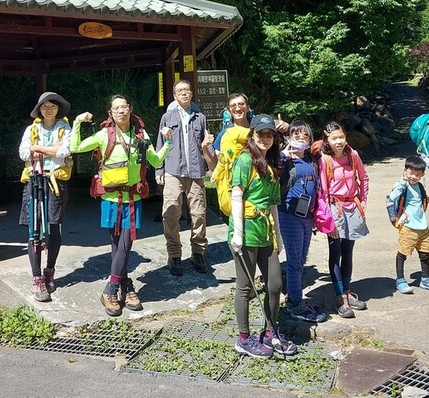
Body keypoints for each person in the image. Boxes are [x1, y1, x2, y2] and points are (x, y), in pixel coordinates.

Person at [70, 95, 172, 317]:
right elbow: (75, 147)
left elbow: (155, 161)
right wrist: (77, 122)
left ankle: (111, 288)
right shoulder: (104, 135)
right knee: (117, 245)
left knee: (126, 244)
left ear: (130, 109)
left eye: (124, 107)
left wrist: (169, 143)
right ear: (111, 113)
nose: (121, 111)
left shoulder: (140, 135)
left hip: (132, 198)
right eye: (116, 108)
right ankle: (125, 284)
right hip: (110, 198)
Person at [228, 113, 297, 359]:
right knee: (245, 286)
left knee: (275, 284)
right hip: (246, 230)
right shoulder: (245, 160)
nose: (265, 138)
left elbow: (274, 204)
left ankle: (270, 333)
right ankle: (244, 339)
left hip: (265, 231)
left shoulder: (272, 163)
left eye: (269, 135)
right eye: (260, 134)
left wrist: (278, 236)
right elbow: (237, 196)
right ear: (252, 135)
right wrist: (237, 234)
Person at [18, 92, 73, 302]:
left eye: (53, 106)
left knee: (54, 225)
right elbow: (23, 153)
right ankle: (37, 278)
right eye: (44, 106)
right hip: (34, 180)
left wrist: (37, 148)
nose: (48, 109)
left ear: (58, 109)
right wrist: (52, 149)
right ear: (39, 109)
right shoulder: (31, 129)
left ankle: (50, 271)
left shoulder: (65, 128)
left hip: (56, 181)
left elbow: (67, 150)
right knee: (34, 228)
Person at [156, 80, 214, 276]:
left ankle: (198, 253)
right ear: (174, 96)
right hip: (173, 171)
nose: (183, 93)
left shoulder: (200, 118)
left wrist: (212, 168)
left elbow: (206, 144)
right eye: (179, 91)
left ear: (191, 94)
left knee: (199, 214)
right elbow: (160, 143)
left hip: (196, 173)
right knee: (171, 214)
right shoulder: (167, 117)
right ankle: (174, 254)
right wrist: (159, 169)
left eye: (186, 90)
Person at [316, 122, 369, 318]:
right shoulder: (325, 160)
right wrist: (327, 218)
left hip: (352, 206)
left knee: (348, 251)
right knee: (335, 251)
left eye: (341, 137)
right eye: (334, 138)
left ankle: (347, 291)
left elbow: (364, 177)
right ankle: (340, 297)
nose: (339, 141)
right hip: (334, 209)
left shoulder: (353, 155)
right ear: (327, 140)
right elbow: (322, 191)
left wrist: (363, 201)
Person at [277, 120, 329, 323]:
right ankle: (295, 303)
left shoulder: (311, 158)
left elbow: (328, 143)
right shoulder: (282, 158)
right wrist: (283, 154)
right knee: (294, 261)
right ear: (289, 137)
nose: (301, 137)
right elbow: (266, 162)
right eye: (296, 134)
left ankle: (295, 298)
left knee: (301, 260)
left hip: (307, 216)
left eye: (305, 135)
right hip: (288, 215)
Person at [388, 155, 429, 294]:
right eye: (411, 173)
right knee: (403, 253)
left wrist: (425, 200)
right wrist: (402, 182)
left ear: (422, 175)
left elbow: (419, 201)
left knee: (425, 253)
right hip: (408, 225)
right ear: (405, 171)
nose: (413, 177)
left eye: (418, 174)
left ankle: (426, 279)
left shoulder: (419, 186)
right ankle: (400, 280)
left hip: (423, 225)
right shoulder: (402, 185)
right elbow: (392, 197)